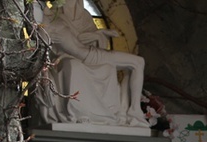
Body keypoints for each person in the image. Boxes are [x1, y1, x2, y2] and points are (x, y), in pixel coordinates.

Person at [35, 0, 148, 128]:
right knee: (74, 65)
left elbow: (78, 38)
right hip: (87, 57)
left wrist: (99, 34)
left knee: (136, 63)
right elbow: (44, 52)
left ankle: (127, 113)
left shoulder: (81, 17)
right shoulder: (49, 25)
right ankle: (132, 113)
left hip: (92, 53)